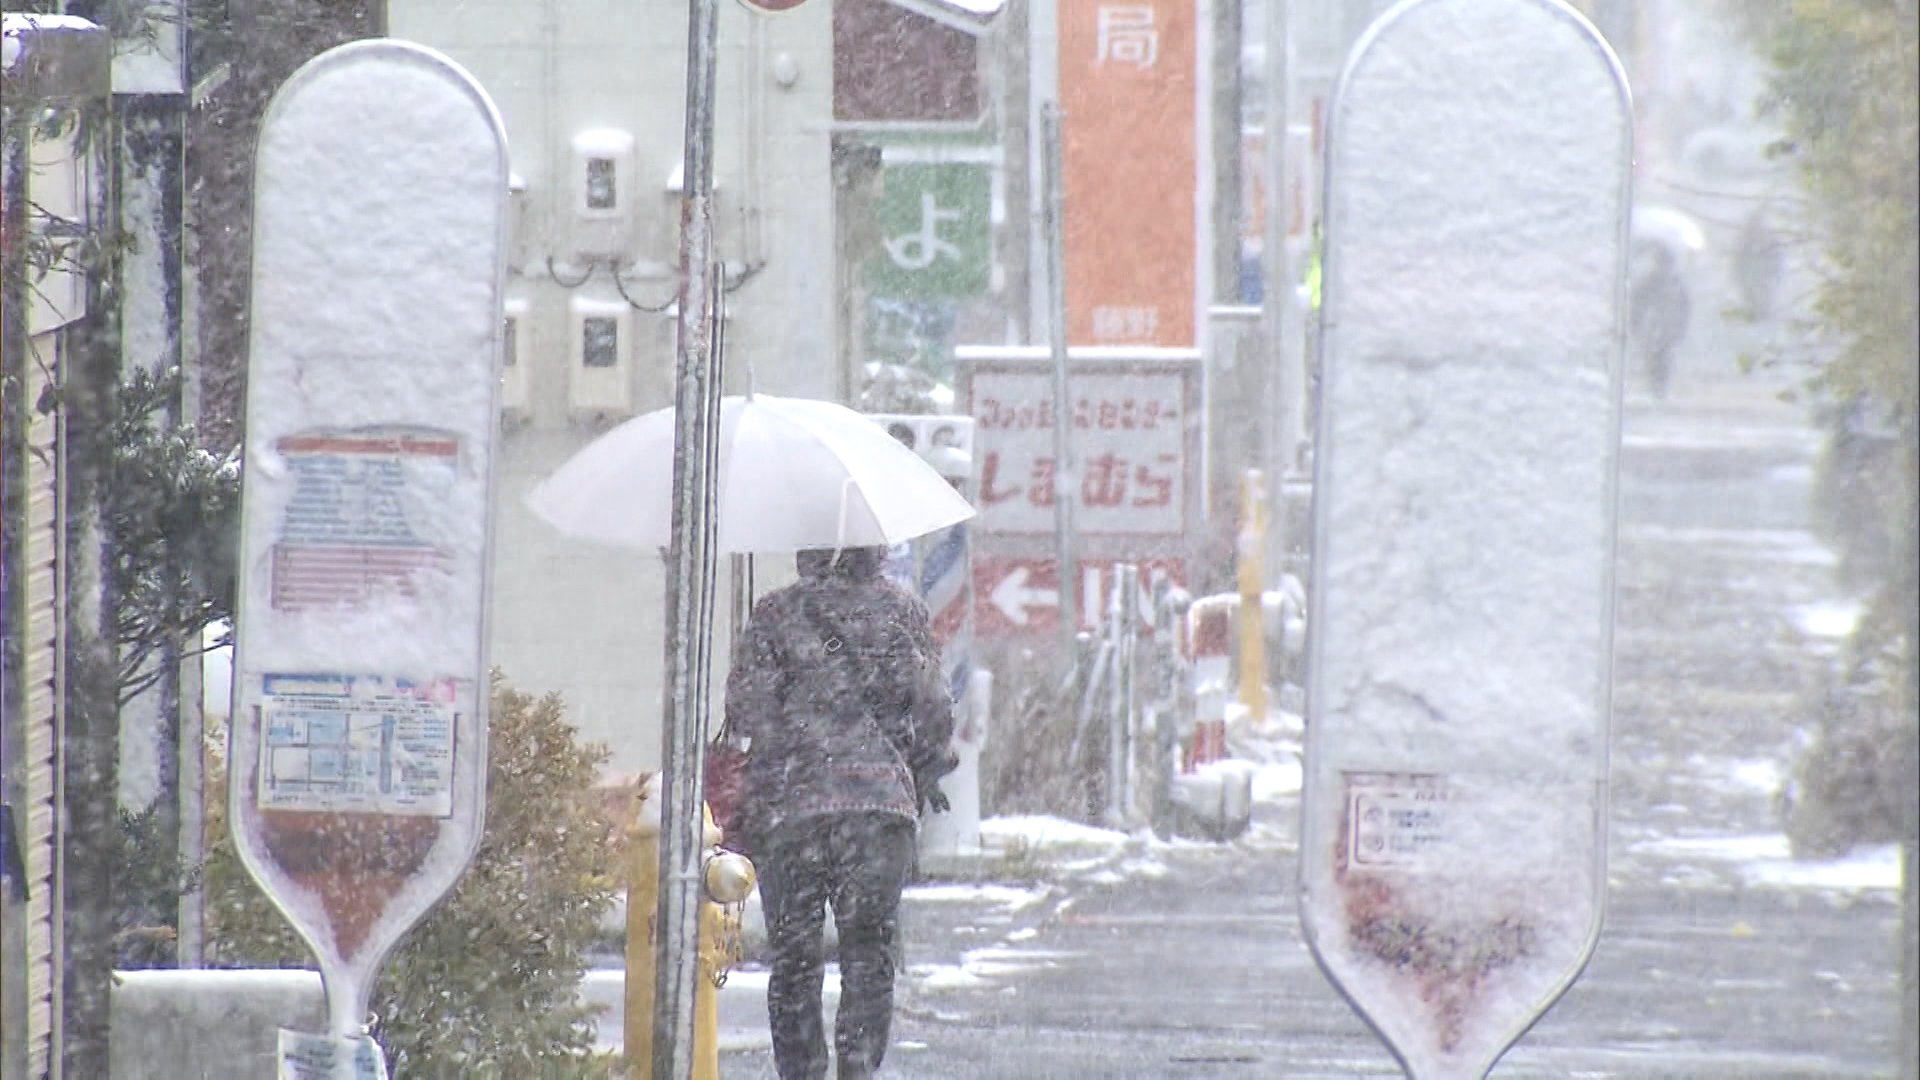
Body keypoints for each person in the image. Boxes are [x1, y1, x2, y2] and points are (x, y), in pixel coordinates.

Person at [725, 545, 957, 1080]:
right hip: (878, 811)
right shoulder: (901, 611)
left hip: (791, 809)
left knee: (794, 959)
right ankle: (858, 1066)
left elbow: (745, 708)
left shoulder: (775, 613)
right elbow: (933, 707)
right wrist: (925, 767)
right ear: (873, 549)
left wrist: (794, 730)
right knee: (869, 952)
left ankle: (801, 1070)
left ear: (808, 549)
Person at [1628, 243, 1691, 399]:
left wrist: (1680, 326)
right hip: (1655, 326)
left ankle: (1659, 386)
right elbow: (1638, 305)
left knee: (1662, 356)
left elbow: (1684, 307)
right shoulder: (1653, 283)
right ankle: (1657, 386)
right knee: (1656, 356)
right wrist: (1636, 323)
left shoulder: (1674, 284)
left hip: (1665, 327)